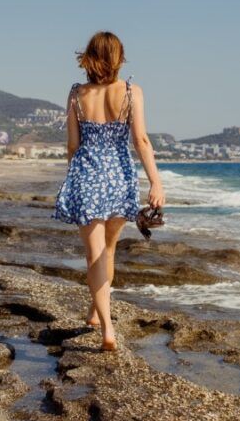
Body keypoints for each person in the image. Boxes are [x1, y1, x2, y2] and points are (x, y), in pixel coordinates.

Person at [52, 31, 166, 351]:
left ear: (88, 57)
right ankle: (96, 312)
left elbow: (73, 146)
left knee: (94, 255)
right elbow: (141, 140)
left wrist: (76, 178)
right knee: (108, 251)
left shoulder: (76, 94)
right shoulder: (131, 92)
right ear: (119, 58)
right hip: (120, 178)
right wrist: (155, 182)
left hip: (88, 176)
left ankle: (107, 330)